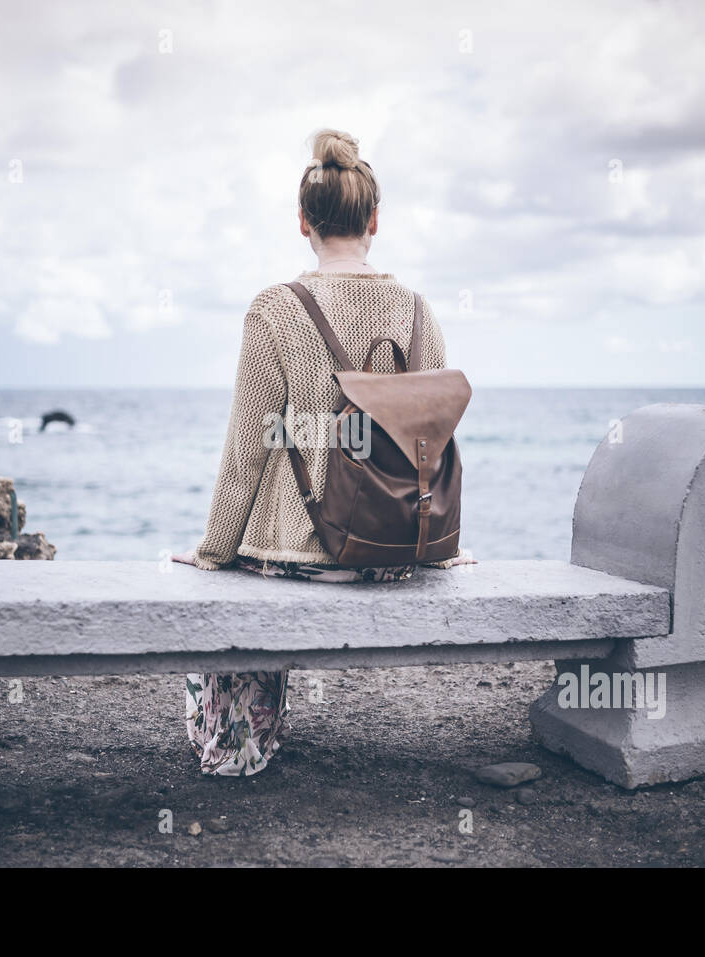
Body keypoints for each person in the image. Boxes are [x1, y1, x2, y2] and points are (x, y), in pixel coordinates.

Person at [173, 128, 472, 776]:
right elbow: (433, 439)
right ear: (373, 220)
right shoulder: (420, 311)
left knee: (233, 580)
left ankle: (237, 747)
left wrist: (213, 550)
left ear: (303, 220)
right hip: (395, 554)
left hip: (303, 558)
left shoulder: (275, 310)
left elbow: (246, 451)